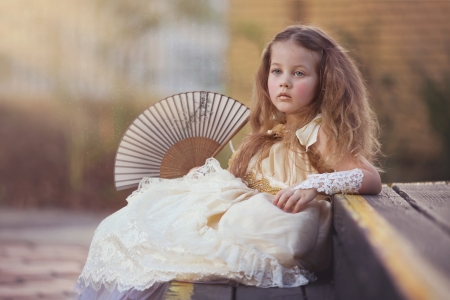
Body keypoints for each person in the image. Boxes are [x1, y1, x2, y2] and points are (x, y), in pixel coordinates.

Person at [76, 25, 382, 299]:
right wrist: (211, 179)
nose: (285, 82)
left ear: (324, 81)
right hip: (255, 207)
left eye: (298, 73)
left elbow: (369, 177)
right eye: (277, 71)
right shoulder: (273, 130)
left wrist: (315, 185)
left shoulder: (319, 130)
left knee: (268, 223)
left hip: (286, 216)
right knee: (153, 212)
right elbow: (252, 179)